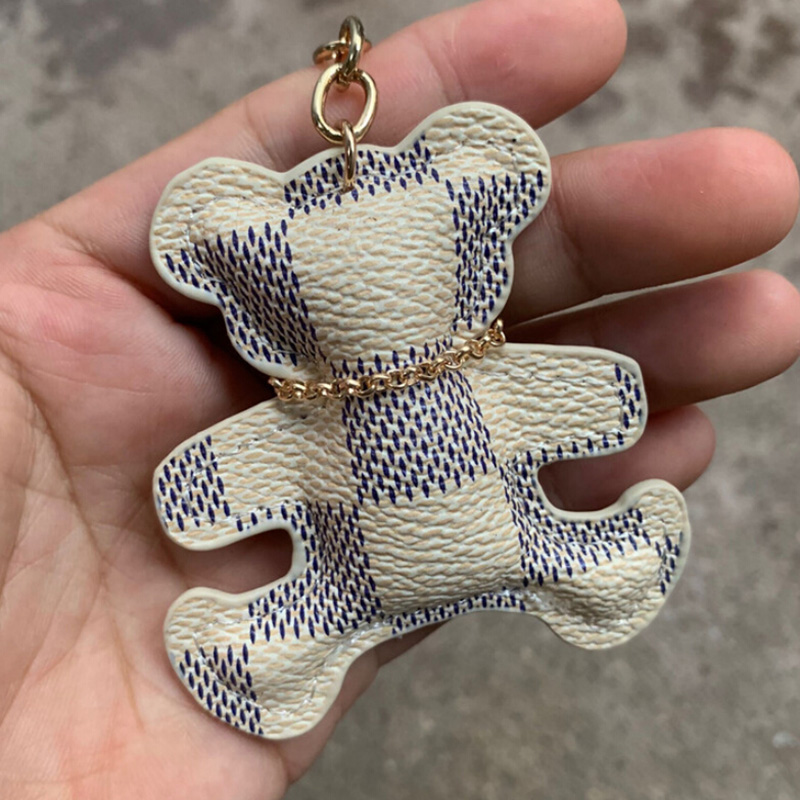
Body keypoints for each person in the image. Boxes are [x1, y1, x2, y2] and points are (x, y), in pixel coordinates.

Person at [0, 0, 797, 797]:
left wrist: (598, 399)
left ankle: (579, 571)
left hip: (476, 522)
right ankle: (280, 650)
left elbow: (604, 401)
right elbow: (207, 488)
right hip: (348, 568)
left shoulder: (455, 374)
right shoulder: (317, 411)